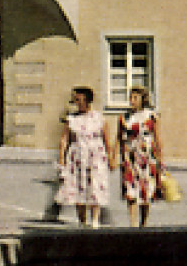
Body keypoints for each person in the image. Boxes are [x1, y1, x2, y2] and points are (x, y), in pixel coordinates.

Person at [55, 86, 114, 227]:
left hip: (95, 155)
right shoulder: (71, 119)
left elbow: (106, 139)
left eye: (79, 99)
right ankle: (82, 220)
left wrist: (111, 158)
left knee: (95, 185)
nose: (77, 102)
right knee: (78, 186)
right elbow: (64, 139)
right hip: (77, 155)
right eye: (75, 100)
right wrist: (62, 158)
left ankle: (95, 219)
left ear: (87, 100)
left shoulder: (99, 118)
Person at [119, 86, 163, 227]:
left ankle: (143, 223)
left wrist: (160, 159)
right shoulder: (125, 117)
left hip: (146, 157)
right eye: (130, 97)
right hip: (130, 157)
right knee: (130, 191)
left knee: (146, 191)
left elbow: (156, 138)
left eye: (135, 98)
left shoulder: (151, 116)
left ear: (142, 99)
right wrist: (117, 155)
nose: (131, 101)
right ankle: (132, 224)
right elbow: (119, 138)